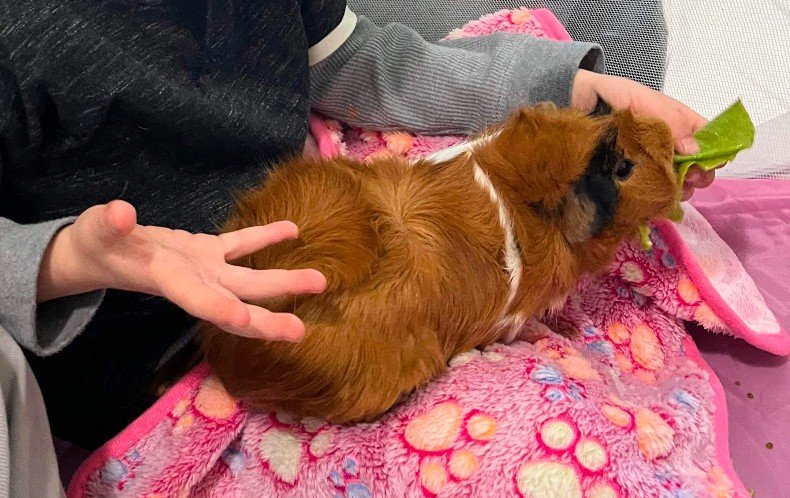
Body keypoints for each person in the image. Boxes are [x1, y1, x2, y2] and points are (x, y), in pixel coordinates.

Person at [0, 0, 713, 494]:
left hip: (321, 194)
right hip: (145, 331)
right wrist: (64, 258)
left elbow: (358, 60)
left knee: (618, 22)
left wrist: (577, 87)